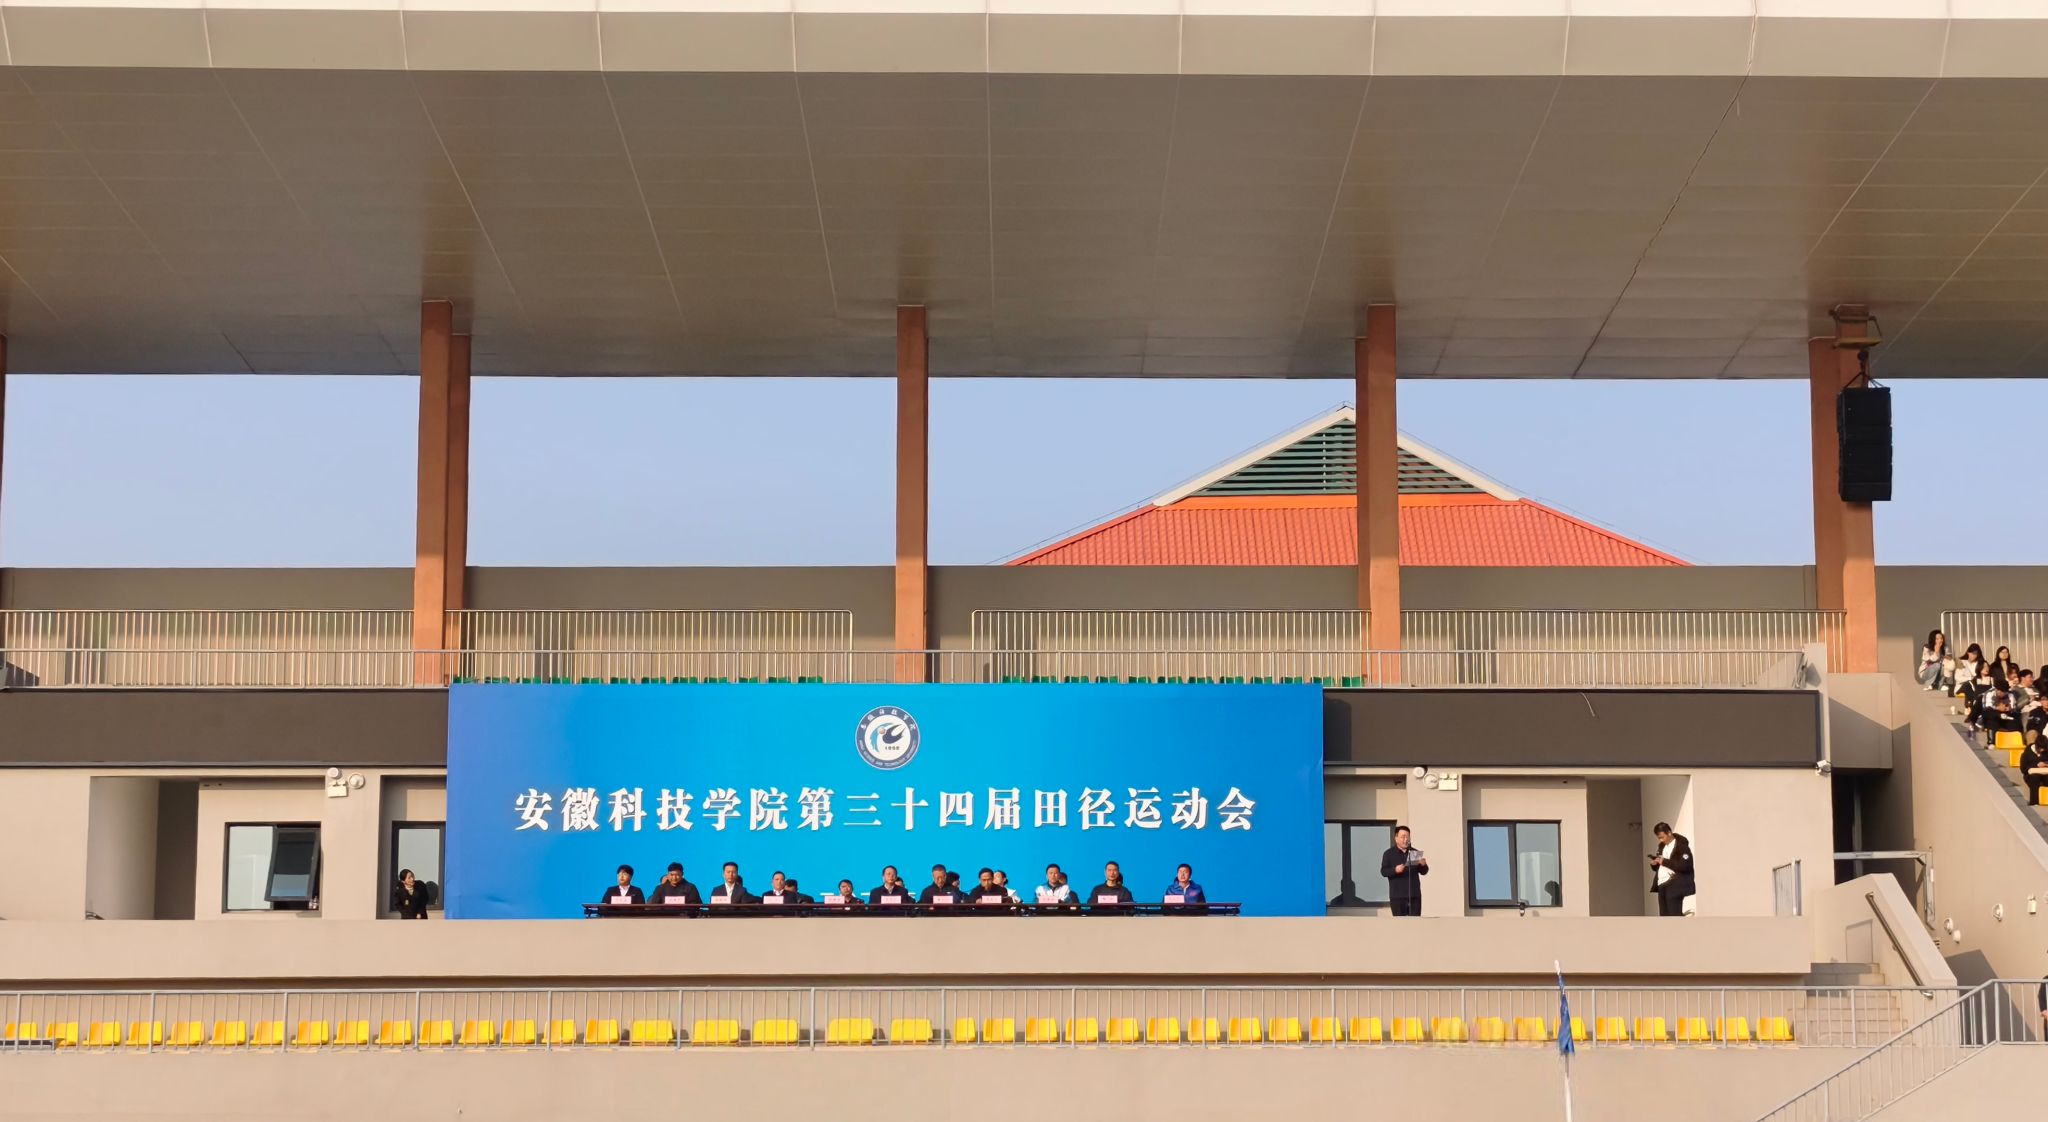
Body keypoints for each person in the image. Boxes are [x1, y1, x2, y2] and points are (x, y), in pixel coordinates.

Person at [1649, 822, 1696, 917]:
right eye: (1659, 838)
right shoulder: (1661, 847)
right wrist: (1655, 864)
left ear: (1669, 833)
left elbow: (1685, 865)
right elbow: (1661, 865)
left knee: (1674, 915)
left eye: (1662, 837)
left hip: (1674, 883)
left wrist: (1664, 862)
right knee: (1664, 916)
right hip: (1661, 884)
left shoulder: (1681, 846)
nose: (1661, 840)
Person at [1380, 826, 1428, 916]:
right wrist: (1395, 870)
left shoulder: (1414, 852)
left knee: (1415, 922)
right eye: (1403, 837)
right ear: (1396, 838)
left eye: (1407, 837)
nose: (1406, 839)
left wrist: (1423, 865)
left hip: (1414, 896)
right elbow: (1384, 871)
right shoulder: (1389, 854)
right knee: (1399, 923)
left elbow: (1424, 872)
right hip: (1397, 897)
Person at [2023, 739, 2048, 808]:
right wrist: (2036, 765)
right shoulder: (2027, 753)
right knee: (2034, 778)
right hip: (2031, 774)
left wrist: (2045, 764)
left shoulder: (2046, 751)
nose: (2042, 750)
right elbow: (2023, 768)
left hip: (2044, 773)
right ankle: (2034, 801)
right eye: (2041, 748)